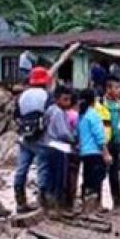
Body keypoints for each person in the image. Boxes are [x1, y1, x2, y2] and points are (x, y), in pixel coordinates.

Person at [13, 67, 52, 214]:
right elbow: (50, 116)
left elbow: (15, 116)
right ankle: (42, 202)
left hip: (25, 138)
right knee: (42, 169)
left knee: (21, 169)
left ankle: (20, 202)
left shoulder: (22, 96)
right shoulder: (47, 96)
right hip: (41, 138)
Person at [76, 88, 112, 213]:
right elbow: (100, 136)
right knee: (96, 180)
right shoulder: (93, 115)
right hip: (95, 152)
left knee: (87, 179)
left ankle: (86, 207)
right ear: (94, 100)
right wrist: (106, 153)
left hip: (83, 152)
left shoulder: (80, 115)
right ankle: (93, 209)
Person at [44, 85, 77, 214]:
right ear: (57, 99)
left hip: (49, 145)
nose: (68, 103)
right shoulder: (58, 112)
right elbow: (63, 133)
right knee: (59, 178)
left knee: (51, 177)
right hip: (59, 147)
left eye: (69, 100)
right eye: (65, 99)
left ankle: (51, 205)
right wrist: (74, 138)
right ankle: (58, 207)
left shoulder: (50, 110)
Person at [103, 76, 120, 211]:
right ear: (108, 88)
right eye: (116, 88)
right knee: (99, 173)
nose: (119, 90)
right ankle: (96, 203)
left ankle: (117, 203)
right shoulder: (101, 104)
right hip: (104, 143)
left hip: (117, 143)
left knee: (115, 173)